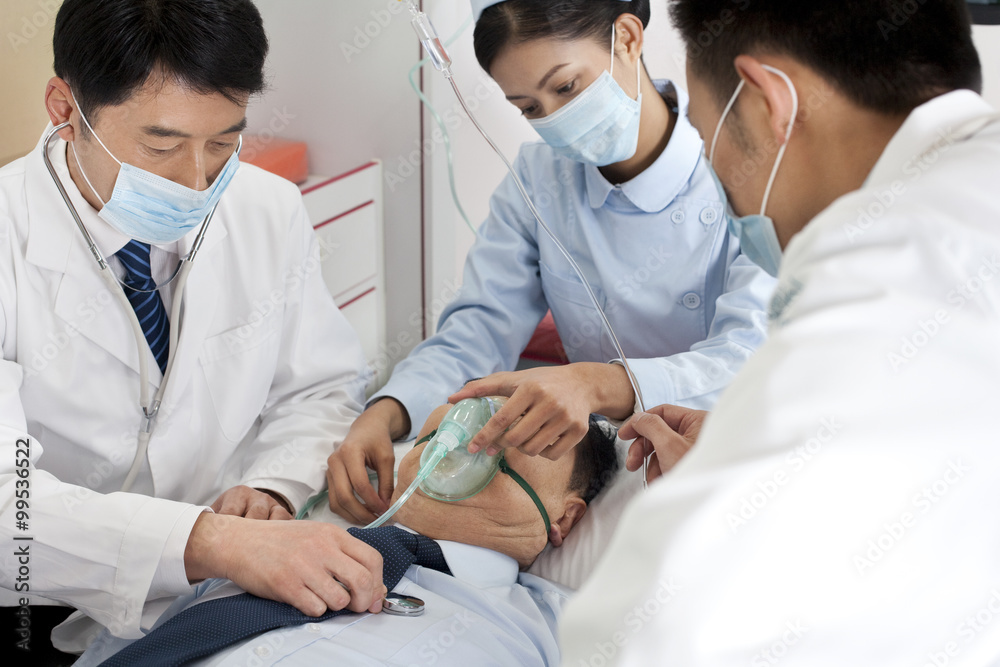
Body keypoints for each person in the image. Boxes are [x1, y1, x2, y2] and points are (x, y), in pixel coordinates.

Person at [559, 1, 1000, 664]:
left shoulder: (893, 263)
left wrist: (753, 474)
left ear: (770, 102)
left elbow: (655, 632)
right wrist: (759, 450)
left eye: (712, 148)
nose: (724, 194)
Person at [0, 0, 387, 657]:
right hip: (45, 597)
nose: (198, 180)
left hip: (222, 583)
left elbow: (321, 389)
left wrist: (271, 486)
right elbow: (10, 509)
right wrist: (208, 540)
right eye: (163, 144)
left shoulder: (268, 209)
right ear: (65, 110)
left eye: (225, 140)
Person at [327, 0, 776, 525]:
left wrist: (598, 384)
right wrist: (386, 413)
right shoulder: (539, 181)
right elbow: (478, 330)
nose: (556, 120)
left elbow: (750, 355)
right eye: (530, 108)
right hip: (591, 467)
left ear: (628, 38)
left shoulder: (742, 170)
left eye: (566, 88)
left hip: (718, 456)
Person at [74, 409, 621, 666]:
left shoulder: (565, 629)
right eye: (481, 402)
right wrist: (206, 545)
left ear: (565, 518)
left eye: (534, 426)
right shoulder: (263, 538)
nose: (486, 425)